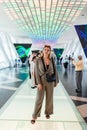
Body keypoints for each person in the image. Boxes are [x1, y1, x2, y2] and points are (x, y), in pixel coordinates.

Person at [31, 45, 59, 124]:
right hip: (42, 81)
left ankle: (48, 112)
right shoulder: (38, 60)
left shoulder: (52, 60)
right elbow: (36, 72)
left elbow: (55, 70)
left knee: (49, 98)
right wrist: (38, 83)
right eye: (45, 49)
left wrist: (56, 81)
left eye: (48, 50)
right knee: (39, 99)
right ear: (43, 50)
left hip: (50, 81)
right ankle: (34, 115)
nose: (46, 51)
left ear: (50, 51)